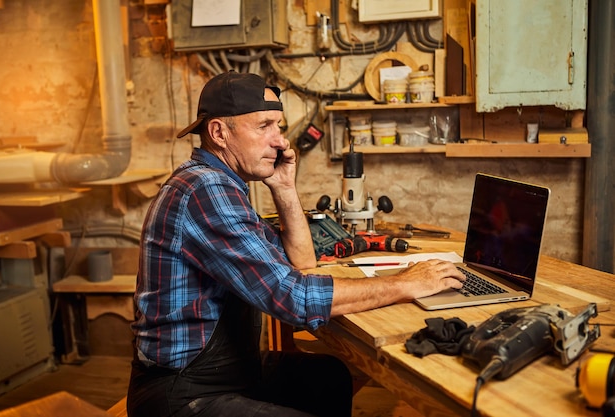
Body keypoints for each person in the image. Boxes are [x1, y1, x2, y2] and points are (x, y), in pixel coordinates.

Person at [127, 71, 465, 417]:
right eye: (264, 126)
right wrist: (406, 283)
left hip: (225, 374)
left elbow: (301, 264)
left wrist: (285, 188)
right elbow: (294, 297)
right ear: (219, 132)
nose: (280, 141)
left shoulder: (222, 184)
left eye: (279, 126)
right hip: (181, 392)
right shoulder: (205, 189)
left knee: (329, 377)